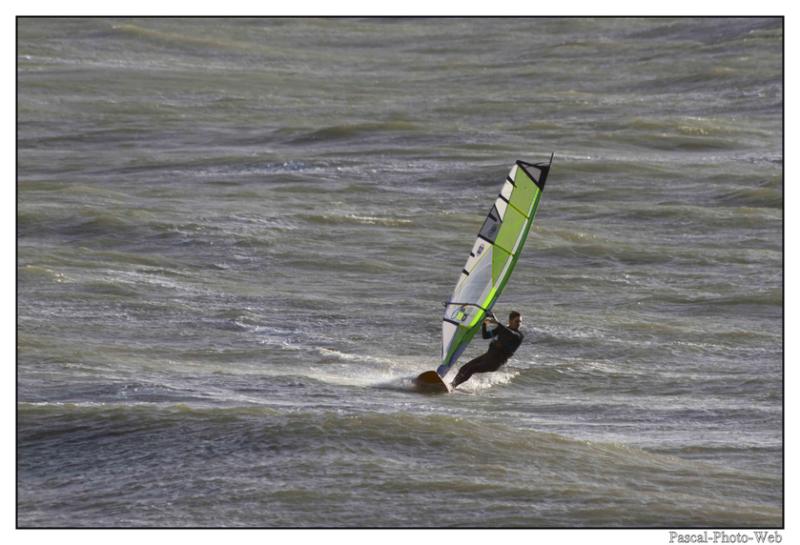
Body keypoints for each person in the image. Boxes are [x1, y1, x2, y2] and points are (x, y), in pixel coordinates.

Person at [451, 311, 524, 389]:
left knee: (472, 369)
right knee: (464, 368)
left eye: (520, 322)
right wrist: (484, 324)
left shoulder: (518, 336)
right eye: (516, 321)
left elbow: (510, 334)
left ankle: (453, 386)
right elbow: (485, 336)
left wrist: (497, 322)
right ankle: (452, 384)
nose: (518, 324)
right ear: (510, 321)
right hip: (487, 356)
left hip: (495, 362)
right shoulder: (502, 329)